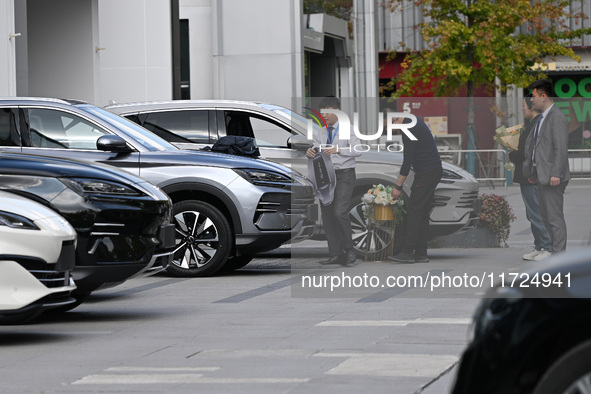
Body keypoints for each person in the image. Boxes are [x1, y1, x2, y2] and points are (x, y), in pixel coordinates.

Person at [306, 96, 361, 266]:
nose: (325, 116)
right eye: (323, 114)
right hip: (326, 177)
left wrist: (338, 150)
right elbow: (317, 148)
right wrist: (310, 151)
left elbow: (358, 150)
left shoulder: (348, 129)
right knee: (328, 216)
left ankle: (350, 250)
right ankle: (335, 254)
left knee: (340, 212)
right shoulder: (322, 131)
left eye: (327, 113)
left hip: (344, 175)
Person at [522, 79, 570, 256]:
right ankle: (552, 252)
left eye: (533, 96)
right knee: (546, 217)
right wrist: (534, 171)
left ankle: (559, 256)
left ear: (544, 96)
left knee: (554, 218)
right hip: (542, 176)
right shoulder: (543, 118)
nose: (531, 100)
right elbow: (538, 148)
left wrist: (556, 173)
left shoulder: (556, 117)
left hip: (553, 177)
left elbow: (560, 148)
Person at [388, 114, 442, 263]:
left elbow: (408, 159)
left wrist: (398, 186)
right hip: (432, 170)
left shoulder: (408, 128)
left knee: (413, 210)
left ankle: (407, 251)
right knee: (422, 212)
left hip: (427, 172)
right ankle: (421, 253)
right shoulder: (415, 121)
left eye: (392, 121)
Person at [508, 95, 552, 261]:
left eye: (523, 106)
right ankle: (539, 246)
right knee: (532, 213)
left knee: (536, 213)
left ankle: (547, 248)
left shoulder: (537, 125)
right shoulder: (532, 125)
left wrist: (512, 155)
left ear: (531, 107)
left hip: (531, 176)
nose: (522, 109)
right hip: (527, 176)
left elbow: (530, 153)